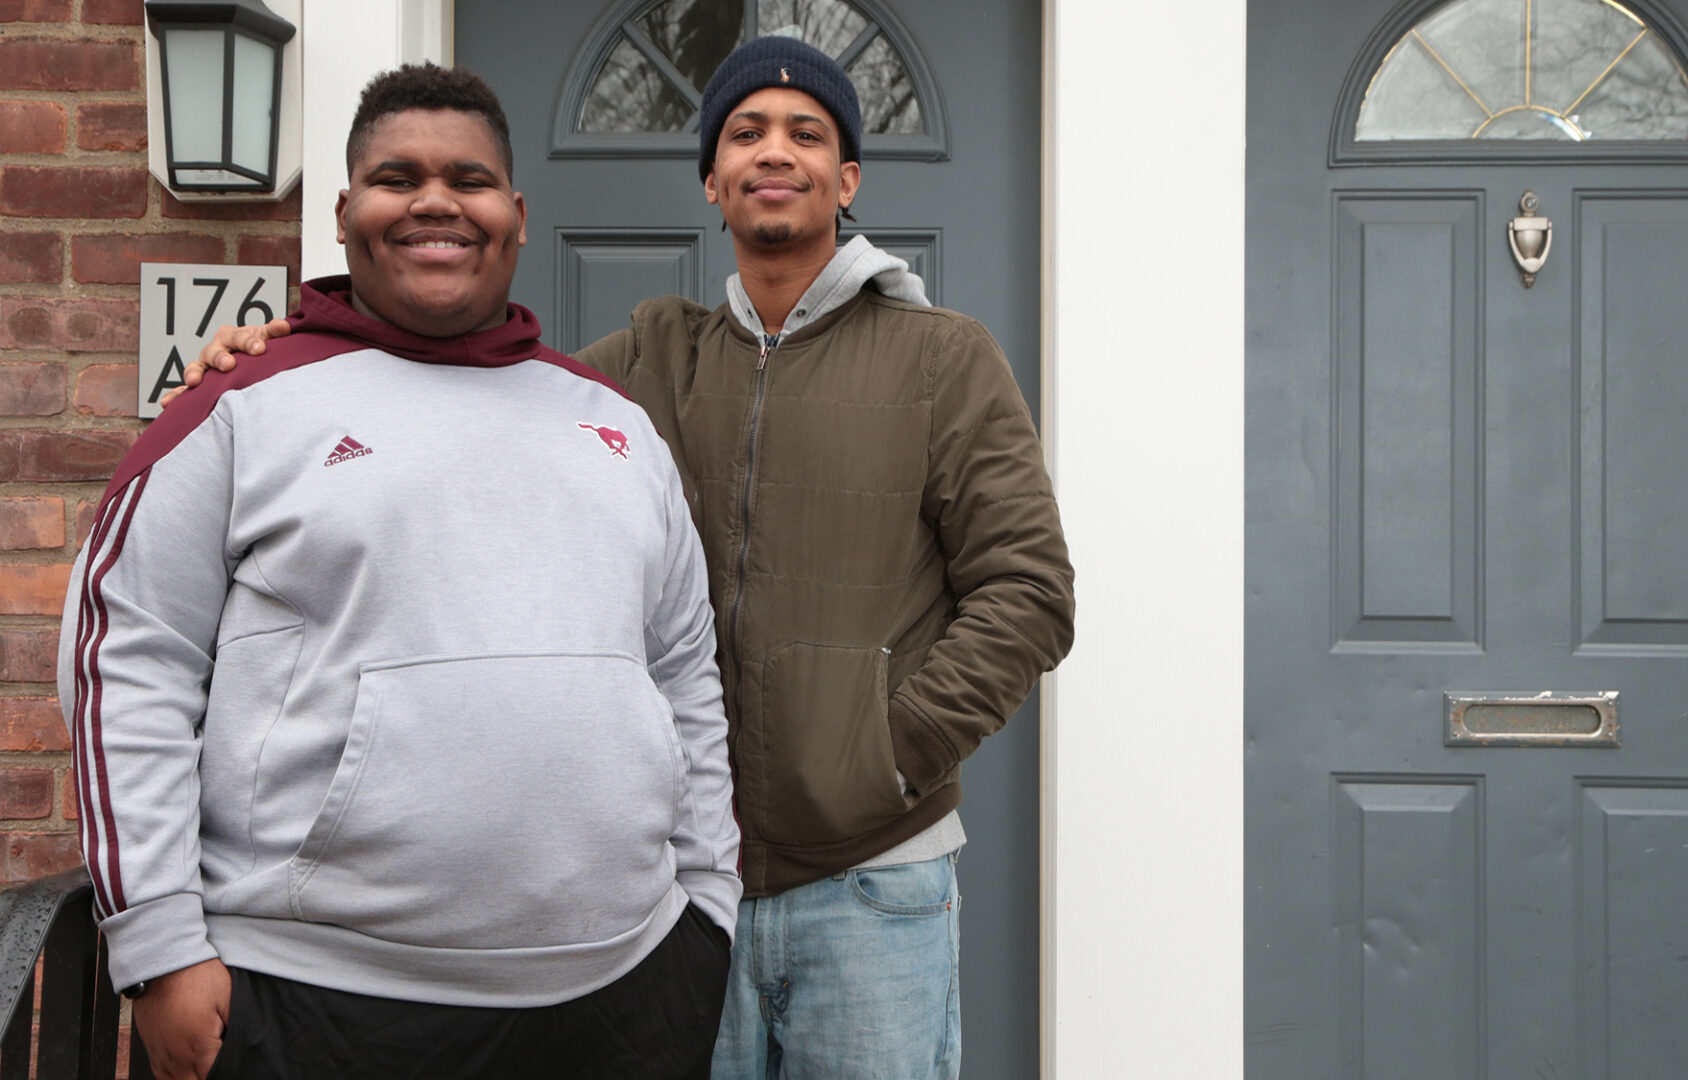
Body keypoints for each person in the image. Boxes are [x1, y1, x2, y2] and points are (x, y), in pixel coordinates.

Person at [185, 36, 1073, 1079]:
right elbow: (460, 371)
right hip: (685, 899)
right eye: (745, 133)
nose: (772, 152)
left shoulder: (944, 358)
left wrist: (885, 751)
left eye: (806, 133)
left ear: (848, 178)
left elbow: (1029, 592)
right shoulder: (647, 361)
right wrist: (291, 348)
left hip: (876, 888)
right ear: (712, 179)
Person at [62, 65, 738, 1080]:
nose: (433, 201)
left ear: (515, 212)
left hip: (628, 992)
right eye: (397, 177)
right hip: (319, 999)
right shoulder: (240, 409)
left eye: (468, 178)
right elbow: (128, 662)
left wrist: (707, 907)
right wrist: (159, 947)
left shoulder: (615, 425)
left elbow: (685, 674)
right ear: (344, 213)